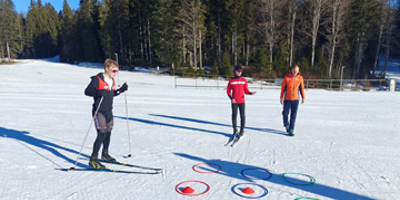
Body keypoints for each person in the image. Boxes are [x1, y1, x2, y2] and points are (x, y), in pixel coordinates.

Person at [84, 59, 128, 169]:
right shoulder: (97, 79)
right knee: (102, 133)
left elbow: (110, 94)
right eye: (113, 71)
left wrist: (120, 91)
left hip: (109, 110)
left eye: (117, 71)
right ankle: (93, 159)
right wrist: (98, 92)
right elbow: (87, 91)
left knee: (108, 132)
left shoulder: (112, 80)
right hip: (99, 111)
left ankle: (105, 154)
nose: (115, 73)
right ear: (106, 69)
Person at [227, 65, 256, 137]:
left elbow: (246, 91)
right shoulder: (231, 80)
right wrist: (231, 98)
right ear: (235, 71)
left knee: (242, 116)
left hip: (242, 101)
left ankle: (242, 130)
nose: (240, 72)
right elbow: (228, 91)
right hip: (234, 101)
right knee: (234, 116)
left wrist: (250, 93)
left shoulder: (244, 80)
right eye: (238, 71)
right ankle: (234, 130)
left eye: (241, 71)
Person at [280, 65, 305, 136]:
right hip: (287, 99)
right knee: (285, 113)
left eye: (296, 71)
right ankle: (286, 124)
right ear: (291, 70)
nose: (295, 72)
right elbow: (282, 89)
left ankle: (291, 129)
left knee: (293, 115)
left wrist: (303, 97)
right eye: (294, 70)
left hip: (295, 99)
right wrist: (281, 98)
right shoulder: (287, 78)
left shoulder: (300, 78)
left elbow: (302, 88)